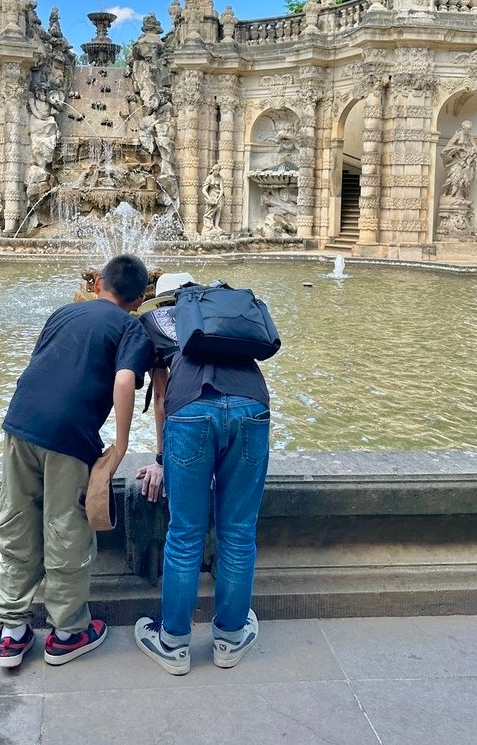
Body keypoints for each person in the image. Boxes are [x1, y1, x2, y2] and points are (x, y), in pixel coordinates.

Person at [0, 253, 154, 669]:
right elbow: (124, 380)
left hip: (20, 422)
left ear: (98, 283)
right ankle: (66, 633)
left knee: (17, 519)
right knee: (66, 526)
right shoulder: (131, 328)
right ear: (139, 299)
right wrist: (119, 445)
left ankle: (11, 631)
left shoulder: (64, 312)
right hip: (68, 435)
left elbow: (39, 361)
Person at [134, 272, 272, 676]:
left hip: (191, 412)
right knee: (239, 532)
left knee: (185, 534)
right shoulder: (219, 315)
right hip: (251, 409)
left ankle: (173, 642)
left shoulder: (158, 322)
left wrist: (162, 459)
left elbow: (161, 397)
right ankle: (230, 638)